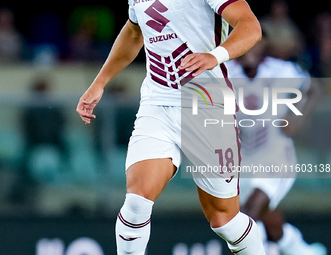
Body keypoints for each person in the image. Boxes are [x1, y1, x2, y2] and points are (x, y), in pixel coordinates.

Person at [76, 0, 264, 254]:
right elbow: (134, 31)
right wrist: (100, 82)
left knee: (224, 221)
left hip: (206, 106)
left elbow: (250, 26)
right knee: (137, 202)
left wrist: (214, 56)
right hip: (158, 103)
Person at [226, 34, 327, 255]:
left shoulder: (282, 70)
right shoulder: (224, 72)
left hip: (276, 157)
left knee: (249, 212)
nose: (247, 49)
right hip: (243, 161)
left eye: (254, 42)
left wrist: (299, 118)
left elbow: (313, 88)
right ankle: (302, 251)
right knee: (267, 220)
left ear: (264, 45)